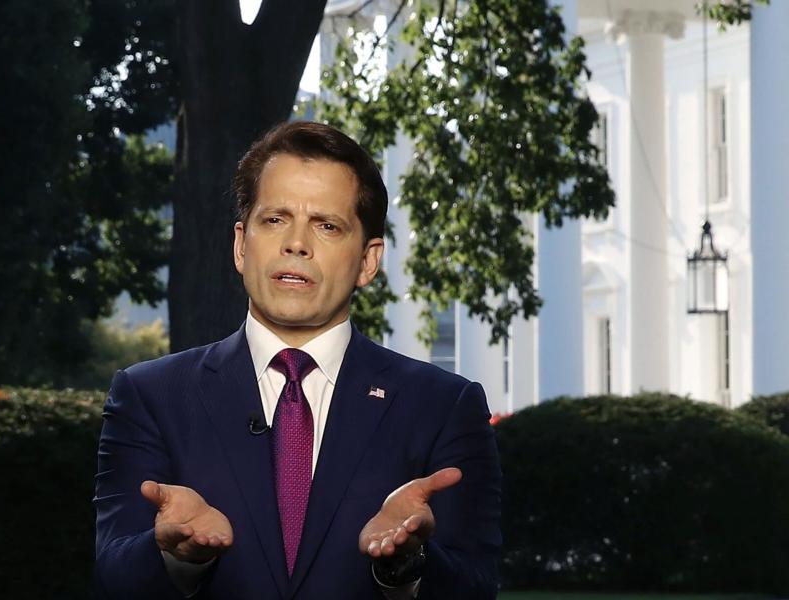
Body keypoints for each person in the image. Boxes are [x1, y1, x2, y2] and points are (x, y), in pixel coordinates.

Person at [93, 121, 501, 599]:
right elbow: (112, 582)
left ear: (368, 262)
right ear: (241, 246)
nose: (297, 243)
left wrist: (406, 565)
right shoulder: (149, 397)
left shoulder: (444, 408)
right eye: (275, 219)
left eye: (327, 225)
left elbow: (476, 590)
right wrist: (174, 555)